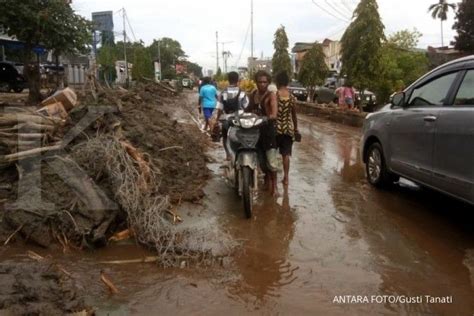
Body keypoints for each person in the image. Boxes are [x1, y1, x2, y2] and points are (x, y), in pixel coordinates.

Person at [246, 70, 278, 196]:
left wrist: (270, 116)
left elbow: (274, 111)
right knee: (260, 160)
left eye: (265, 82)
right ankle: (266, 179)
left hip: (268, 131)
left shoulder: (271, 95)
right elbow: (247, 109)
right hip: (255, 131)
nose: (262, 84)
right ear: (256, 82)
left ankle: (274, 186)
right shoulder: (253, 95)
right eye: (260, 82)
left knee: (271, 161)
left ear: (268, 82)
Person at [215, 71, 249, 159]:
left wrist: (217, 119)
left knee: (225, 136)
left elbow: (220, 108)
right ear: (238, 80)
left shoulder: (223, 93)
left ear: (228, 80)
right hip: (240, 119)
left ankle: (228, 155)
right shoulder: (242, 93)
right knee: (242, 136)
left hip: (227, 119)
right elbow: (246, 106)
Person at [275, 71, 299, 187]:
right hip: (288, 129)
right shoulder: (292, 97)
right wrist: (296, 129)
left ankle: (272, 181)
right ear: (287, 82)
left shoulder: (275, 95)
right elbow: (294, 115)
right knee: (286, 155)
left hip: (276, 129)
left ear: (277, 82)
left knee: (273, 154)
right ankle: (286, 178)